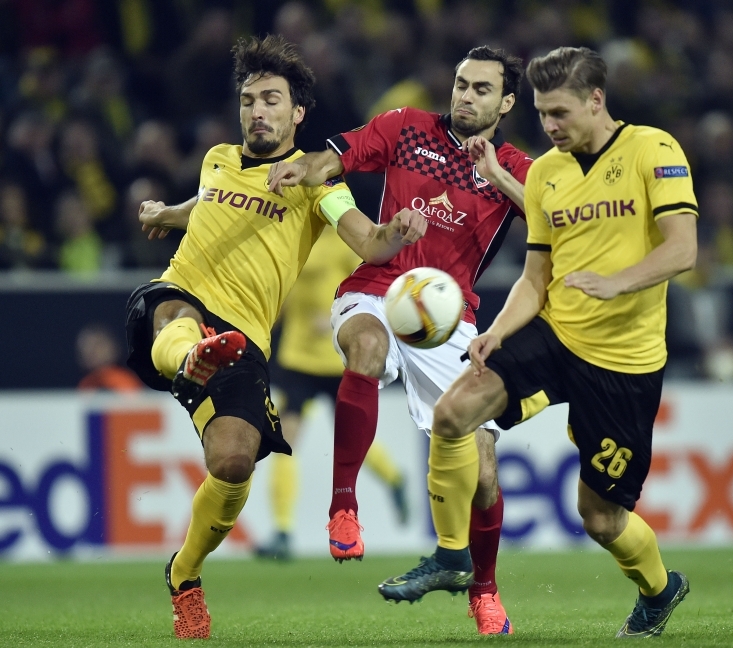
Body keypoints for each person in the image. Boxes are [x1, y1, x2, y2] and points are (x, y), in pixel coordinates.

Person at [379, 46, 698, 639]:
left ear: (595, 100)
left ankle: (660, 589)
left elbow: (683, 248)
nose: (549, 127)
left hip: (624, 364)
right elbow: (536, 275)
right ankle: (453, 556)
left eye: (559, 113)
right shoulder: (548, 171)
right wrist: (497, 333)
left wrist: (615, 283)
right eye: (541, 114)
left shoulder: (653, 150)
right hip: (554, 335)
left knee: (600, 518)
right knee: (452, 415)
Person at [124, 34, 426, 640]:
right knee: (174, 316)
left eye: (270, 100)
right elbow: (207, 203)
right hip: (182, 295)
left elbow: (366, 241)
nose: (256, 111)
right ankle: (190, 355)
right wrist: (165, 214)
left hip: (244, 340)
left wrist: (396, 231)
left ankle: (183, 574)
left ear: (298, 114)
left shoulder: (318, 181)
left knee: (233, 464)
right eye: (247, 101)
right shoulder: (217, 157)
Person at [268, 45, 531, 635]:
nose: (465, 95)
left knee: (485, 472)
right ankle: (343, 506)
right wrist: (302, 168)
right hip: (380, 287)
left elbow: (556, 223)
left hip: (450, 316)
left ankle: (483, 591)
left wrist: (497, 178)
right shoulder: (406, 127)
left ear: (506, 102)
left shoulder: (516, 164)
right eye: (462, 84)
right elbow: (332, 160)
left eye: (482, 89)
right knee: (366, 347)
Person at [256, 226, 409, 562]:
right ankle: (282, 532)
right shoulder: (289, 237)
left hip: (334, 356)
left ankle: (395, 478)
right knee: (284, 441)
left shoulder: (342, 238)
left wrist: (332, 320)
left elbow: (369, 288)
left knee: (349, 436)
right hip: (298, 358)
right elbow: (280, 294)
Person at [76, 323, 143, 391]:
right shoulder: (87, 384)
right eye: (86, 347)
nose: (90, 352)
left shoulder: (124, 380)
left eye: (96, 346)